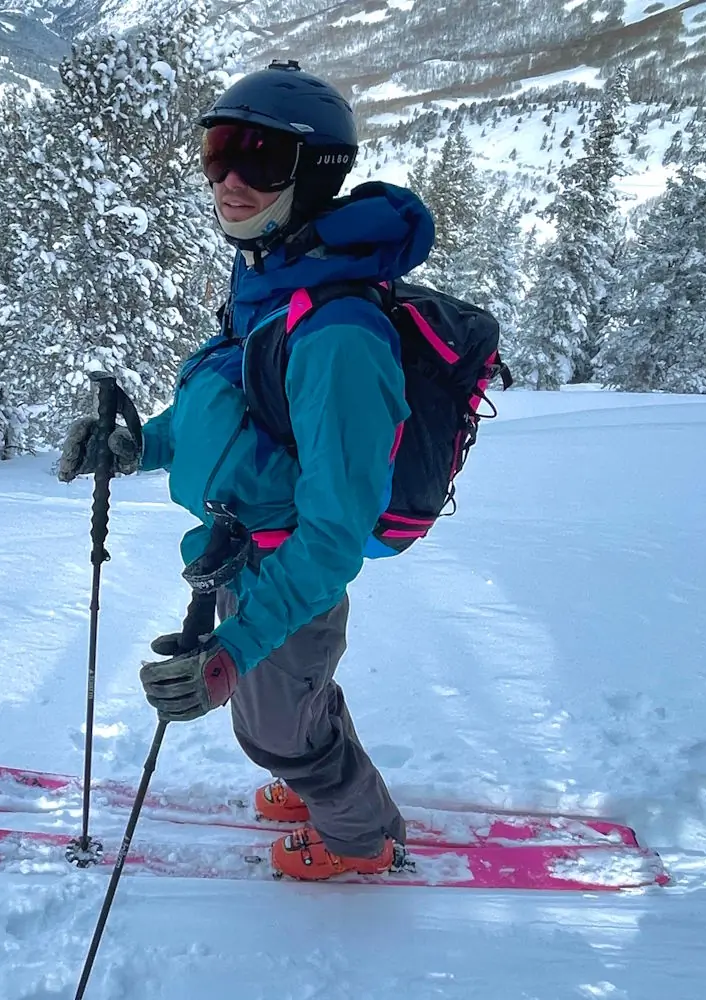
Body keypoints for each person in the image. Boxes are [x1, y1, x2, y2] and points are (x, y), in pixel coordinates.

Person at [57, 60, 436, 881]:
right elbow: (228, 409)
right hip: (245, 554)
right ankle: (323, 784)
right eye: (219, 151)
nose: (230, 179)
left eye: (260, 158)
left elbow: (333, 536)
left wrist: (233, 651)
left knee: (277, 730)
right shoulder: (272, 274)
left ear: (317, 172)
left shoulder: (338, 336)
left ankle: (361, 842)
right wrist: (141, 446)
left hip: (290, 576)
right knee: (293, 706)